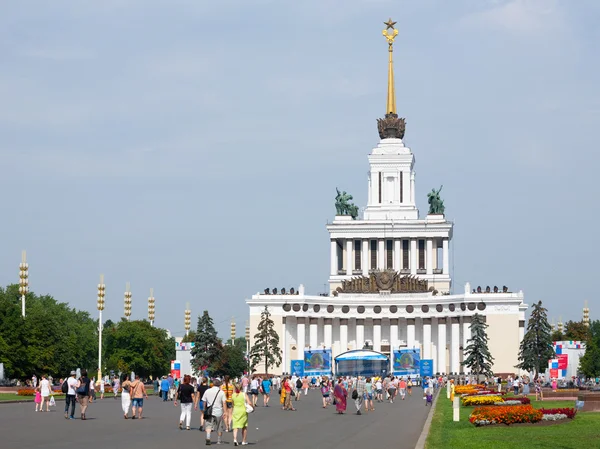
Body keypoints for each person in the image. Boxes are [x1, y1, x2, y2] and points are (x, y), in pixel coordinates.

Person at [202, 378, 227, 446]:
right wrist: (225, 412)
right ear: (219, 385)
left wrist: (204, 409)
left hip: (209, 411)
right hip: (218, 411)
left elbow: (204, 401)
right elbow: (224, 403)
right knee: (219, 426)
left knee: (208, 425)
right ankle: (219, 440)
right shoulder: (221, 392)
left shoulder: (207, 391)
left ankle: (208, 437)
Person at [232, 382, 253, 446]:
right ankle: (243, 440)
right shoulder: (244, 394)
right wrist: (252, 406)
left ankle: (235, 439)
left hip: (235, 410)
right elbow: (249, 402)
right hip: (243, 410)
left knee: (235, 426)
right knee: (244, 426)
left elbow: (233, 404)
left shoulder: (233, 395)